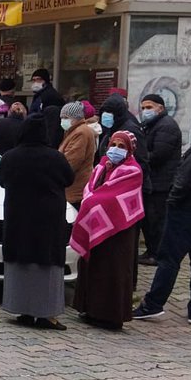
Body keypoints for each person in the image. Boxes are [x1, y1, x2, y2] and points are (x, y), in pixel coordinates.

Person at [133, 102, 191, 325]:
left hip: (188, 211)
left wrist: (172, 203)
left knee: (169, 259)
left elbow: (184, 180)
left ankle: (152, 304)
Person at [0, 116, 74, 330]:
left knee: (20, 262)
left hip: (18, 218)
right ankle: (46, 313)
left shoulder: (11, 157)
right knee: (46, 265)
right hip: (48, 220)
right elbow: (69, 178)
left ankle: (23, 308)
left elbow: (1, 180)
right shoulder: (55, 158)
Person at [70, 130, 145, 329]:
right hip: (96, 223)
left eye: (121, 147)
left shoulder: (133, 170)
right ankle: (88, 308)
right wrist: (90, 200)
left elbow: (114, 195)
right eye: (113, 145)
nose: (115, 150)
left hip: (119, 229)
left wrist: (91, 202)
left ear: (129, 150)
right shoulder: (101, 166)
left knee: (113, 270)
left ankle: (109, 316)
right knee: (92, 267)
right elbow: (91, 188)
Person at [138, 92, 182, 264]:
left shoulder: (166, 126)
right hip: (154, 181)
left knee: (157, 220)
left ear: (160, 108)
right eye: (143, 108)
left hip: (161, 182)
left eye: (149, 107)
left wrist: (139, 157)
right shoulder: (152, 124)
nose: (145, 111)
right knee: (150, 220)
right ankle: (151, 251)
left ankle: (157, 254)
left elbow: (158, 155)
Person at [59, 101, 96, 208]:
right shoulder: (73, 131)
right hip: (73, 186)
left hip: (76, 188)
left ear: (76, 117)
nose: (62, 120)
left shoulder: (80, 132)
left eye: (65, 117)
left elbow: (72, 161)